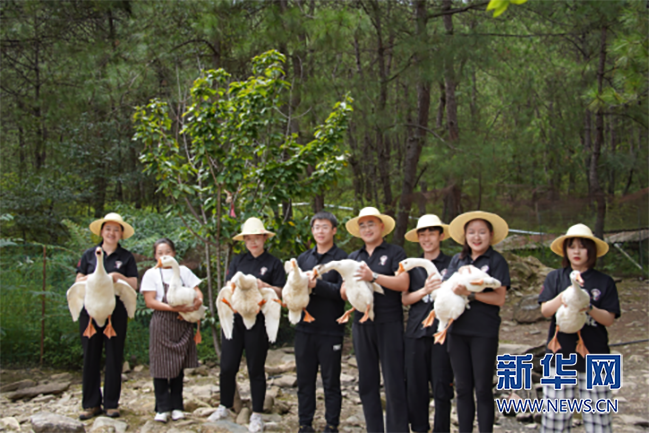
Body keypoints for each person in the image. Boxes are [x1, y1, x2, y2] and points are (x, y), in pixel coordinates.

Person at [538, 224, 620, 433]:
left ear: (591, 251)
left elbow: (609, 319)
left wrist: (589, 307)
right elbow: (546, 310)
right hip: (559, 357)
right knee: (554, 422)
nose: (576, 251)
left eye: (582, 247)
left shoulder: (605, 281)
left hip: (597, 357)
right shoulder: (555, 278)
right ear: (565, 250)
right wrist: (563, 297)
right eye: (572, 246)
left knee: (599, 423)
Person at [209, 217, 286, 433]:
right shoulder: (237, 261)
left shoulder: (273, 263)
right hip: (235, 319)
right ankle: (224, 406)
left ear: (264, 238)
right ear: (244, 240)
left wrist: (265, 285)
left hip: (259, 322)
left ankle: (257, 413)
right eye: (248, 239)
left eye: (256, 238)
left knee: (255, 368)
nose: (253, 242)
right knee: (227, 366)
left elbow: (281, 292)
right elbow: (228, 286)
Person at [345, 207, 410, 433]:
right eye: (362, 225)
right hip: (362, 324)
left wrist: (372, 277)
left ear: (382, 226)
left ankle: (397, 429)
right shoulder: (354, 257)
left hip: (389, 322)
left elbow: (403, 284)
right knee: (367, 382)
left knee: (393, 380)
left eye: (371, 223)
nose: (367, 229)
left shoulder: (395, 252)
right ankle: (374, 429)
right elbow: (344, 291)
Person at [445, 210, 510, 433]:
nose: (477, 237)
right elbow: (448, 290)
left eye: (482, 232)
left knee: (483, 388)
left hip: (484, 331)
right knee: (462, 388)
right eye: (471, 232)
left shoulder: (497, 261)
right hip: (457, 331)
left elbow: (499, 298)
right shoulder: (457, 260)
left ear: (490, 235)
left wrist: (471, 294)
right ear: (465, 236)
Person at [75, 213, 139, 420]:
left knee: (113, 356)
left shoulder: (126, 257)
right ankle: (91, 403)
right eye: (108, 229)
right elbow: (78, 280)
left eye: (116, 229)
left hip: (115, 312)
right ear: (102, 231)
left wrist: (118, 277)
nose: (112, 233)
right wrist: (93, 278)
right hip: (91, 312)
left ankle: (111, 403)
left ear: (121, 234)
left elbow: (134, 284)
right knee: (90, 355)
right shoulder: (89, 255)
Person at [295, 211, 348, 433]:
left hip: (330, 329)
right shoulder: (303, 259)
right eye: (316, 227)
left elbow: (343, 293)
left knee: (331, 381)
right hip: (304, 328)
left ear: (334, 230)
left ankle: (331, 424)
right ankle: (305, 423)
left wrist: (318, 285)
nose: (320, 231)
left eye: (325, 227)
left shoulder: (343, 260)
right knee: (304, 380)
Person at [140, 238, 203, 423]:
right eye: (160, 253)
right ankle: (162, 407)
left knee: (178, 366)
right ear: (155, 257)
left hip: (183, 322)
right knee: (160, 366)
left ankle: (177, 406)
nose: (164, 256)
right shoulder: (151, 274)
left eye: (167, 251)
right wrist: (174, 309)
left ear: (174, 254)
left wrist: (198, 301)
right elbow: (150, 301)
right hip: (162, 321)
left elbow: (196, 291)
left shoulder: (183, 271)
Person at [402, 214, 454, 433]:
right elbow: (405, 299)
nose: (426, 238)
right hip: (415, 330)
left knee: (442, 385)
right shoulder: (412, 266)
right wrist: (424, 290)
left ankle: (442, 429)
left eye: (431, 233)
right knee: (416, 387)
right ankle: (420, 428)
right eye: (422, 234)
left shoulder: (452, 263)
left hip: (443, 332)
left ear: (440, 235)